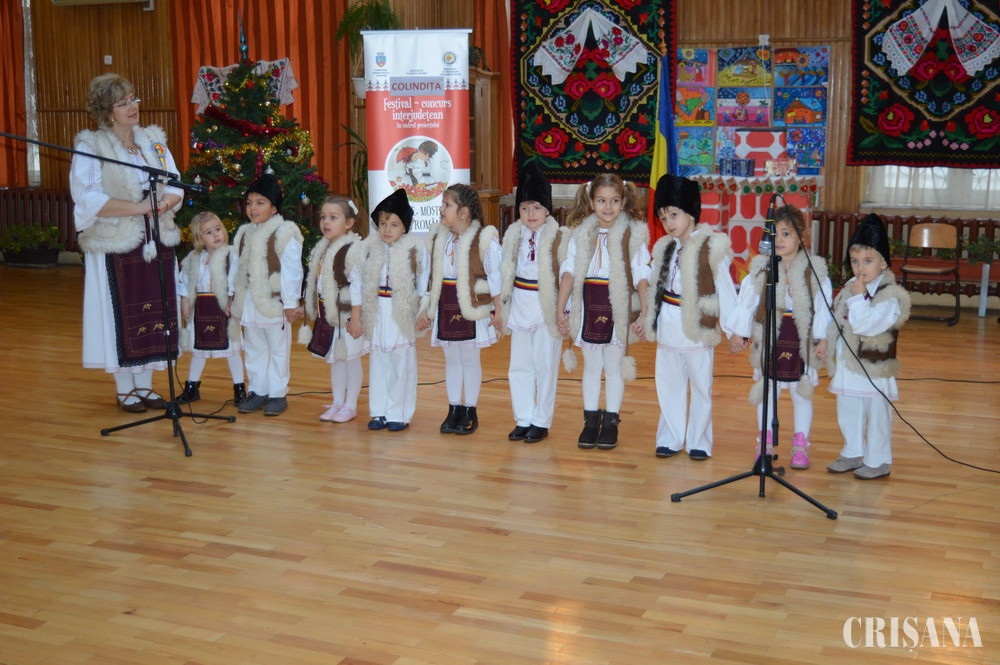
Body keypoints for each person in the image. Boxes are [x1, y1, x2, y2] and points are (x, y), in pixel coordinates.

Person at [69, 73, 183, 412]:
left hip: (157, 237)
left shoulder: (153, 141)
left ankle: (146, 386)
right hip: (117, 242)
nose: (133, 106)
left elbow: (175, 182)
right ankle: (124, 389)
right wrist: (139, 208)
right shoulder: (91, 147)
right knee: (123, 315)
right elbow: (88, 198)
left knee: (156, 311)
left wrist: (165, 203)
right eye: (123, 103)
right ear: (107, 111)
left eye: (134, 99)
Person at [725, 205, 832, 469]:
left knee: (801, 394)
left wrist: (823, 339)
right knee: (766, 392)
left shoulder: (813, 271)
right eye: (775, 235)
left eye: (786, 234)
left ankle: (800, 445)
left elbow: (823, 307)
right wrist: (739, 332)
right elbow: (748, 301)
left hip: (800, 340)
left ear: (801, 237)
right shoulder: (762, 270)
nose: (780, 240)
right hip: (771, 338)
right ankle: (764, 443)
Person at [640, 174, 737, 460]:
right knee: (669, 384)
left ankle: (699, 441)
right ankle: (670, 437)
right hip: (668, 324)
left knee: (700, 386)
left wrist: (733, 330)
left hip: (697, 327)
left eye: (674, 215)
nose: (668, 222)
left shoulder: (712, 247)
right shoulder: (664, 247)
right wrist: (646, 317)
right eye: (663, 217)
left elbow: (725, 290)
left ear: (691, 213)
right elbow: (655, 287)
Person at [556, 174, 649, 450]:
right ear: (591, 201)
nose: (608, 207)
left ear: (623, 201)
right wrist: (560, 309)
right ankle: (590, 422)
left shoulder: (632, 234)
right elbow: (569, 271)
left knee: (614, 367)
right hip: (587, 305)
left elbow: (641, 273)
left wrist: (645, 311)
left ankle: (610, 423)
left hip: (617, 307)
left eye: (614, 201)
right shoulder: (581, 233)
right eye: (601, 201)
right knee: (591, 367)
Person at [818, 213, 911, 480]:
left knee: (877, 413)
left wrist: (859, 299)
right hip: (849, 363)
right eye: (855, 261)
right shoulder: (851, 286)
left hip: (874, 367)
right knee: (848, 408)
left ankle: (878, 459)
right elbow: (838, 317)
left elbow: (866, 326)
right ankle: (853, 452)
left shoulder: (889, 295)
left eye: (868, 261)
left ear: (883, 263)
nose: (860, 268)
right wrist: (826, 341)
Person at [420, 184, 502, 435]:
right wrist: (424, 309)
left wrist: (499, 311)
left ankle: (470, 410)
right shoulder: (438, 238)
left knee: (469, 358)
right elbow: (428, 276)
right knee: (452, 359)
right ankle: (454, 408)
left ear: (464, 212)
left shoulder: (483, 239)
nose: (441, 209)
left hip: (471, 306)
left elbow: (496, 276)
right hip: (445, 304)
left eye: (447, 205)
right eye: (442, 204)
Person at [498, 162, 567, 443]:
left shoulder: (561, 237)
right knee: (519, 365)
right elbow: (504, 272)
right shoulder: (513, 235)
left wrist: (565, 311)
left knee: (545, 365)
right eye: (525, 208)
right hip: (519, 305)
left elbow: (567, 277)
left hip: (546, 308)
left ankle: (541, 420)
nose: (530, 214)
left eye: (537, 208)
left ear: (547, 209)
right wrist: (501, 307)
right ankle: (523, 417)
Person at [230, 174, 303, 417]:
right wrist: (232, 295)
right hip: (250, 303)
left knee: (278, 350)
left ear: (274, 207)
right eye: (249, 203)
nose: (253, 208)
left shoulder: (284, 232)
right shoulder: (244, 233)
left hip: (274, 303)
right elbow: (237, 267)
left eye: (260, 203)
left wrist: (290, 303)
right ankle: (258, 390)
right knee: (254, 348)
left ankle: (277, 394)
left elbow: (293, 271)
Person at [357, 189, 430, 431]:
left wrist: (422, 312)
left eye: (394, 224)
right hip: (378, 312)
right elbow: (361, 281)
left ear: (405, 227)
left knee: (401, 363)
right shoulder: (371, 248)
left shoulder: (415, 249)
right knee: (379, 362)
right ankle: (379, 411)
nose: (387, 229)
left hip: (401, 314)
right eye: (383, 224)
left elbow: (423, 284)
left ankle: (399, 413)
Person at [299, 195, 368, 423]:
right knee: (336, 359)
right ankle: (338, 402)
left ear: (349, 223)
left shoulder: (353, 250)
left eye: (333, 217)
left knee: (350, 359)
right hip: (329, 315)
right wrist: (307, 307)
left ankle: (351, 405)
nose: (326, 222)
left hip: (348, 316)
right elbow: (316, 282)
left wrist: (356, 318)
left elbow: (358, 286)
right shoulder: (323, 248)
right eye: (323, 217)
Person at [176, 212, 245, 406]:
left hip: (225, 310)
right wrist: (185, 300)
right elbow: (185, 281)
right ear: (199, 239)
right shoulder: (194, 259)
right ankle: (192, 387)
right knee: (199, 349)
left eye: (218, 229)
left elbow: (237, 280)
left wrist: (231, 300)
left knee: (232, 351)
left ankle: (239, 388)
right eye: (208, 232)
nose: (216, 235)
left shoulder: (232, 255)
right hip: (202, 311)